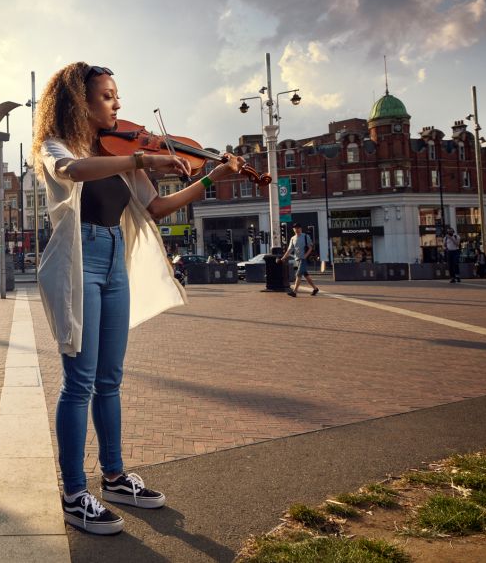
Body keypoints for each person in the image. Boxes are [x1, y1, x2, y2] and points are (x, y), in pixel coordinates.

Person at [32, 62, 244, 535]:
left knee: (109, 378)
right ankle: (72, 493)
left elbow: (157, 207)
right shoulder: (57, 146)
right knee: (79, 381)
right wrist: (142, 160)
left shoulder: (120, 148)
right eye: (107, 96)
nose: (117, 104)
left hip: (113, 260)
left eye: (116, 95)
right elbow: (71, 170)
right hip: (79, 261)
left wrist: (210, 177)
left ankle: (113, 477)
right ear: (80, 102)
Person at [280, 222, 319, 297]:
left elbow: (311, 247)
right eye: (295, 228)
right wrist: (283, 258)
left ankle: (294, 292)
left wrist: (305, 255)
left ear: (300, 228)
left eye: (298, 228)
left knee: (298, 274)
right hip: (297, 259)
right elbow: (289, 250)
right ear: (293, 229)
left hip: (303, 259)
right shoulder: (292, 238)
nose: (296, 229)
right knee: (306, 275)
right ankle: (315, 288)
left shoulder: (305, 236)